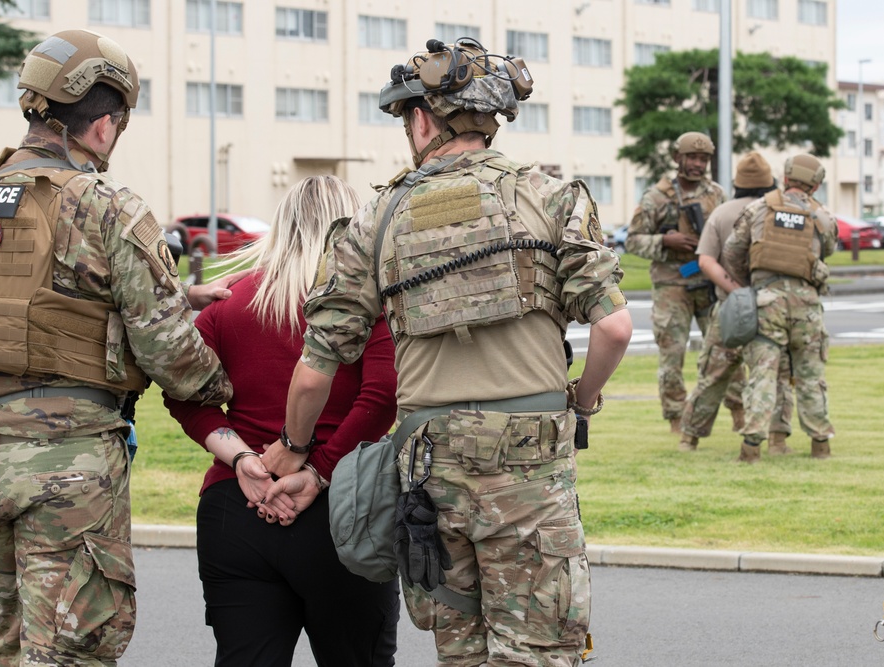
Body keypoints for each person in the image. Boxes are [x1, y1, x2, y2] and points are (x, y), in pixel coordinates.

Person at [271, 38, 632, 666]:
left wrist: (294, 447)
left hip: (429, 467)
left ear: (421, 118)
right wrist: (584, 399)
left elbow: (315, 370)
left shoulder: (377, 218)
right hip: (528, 464)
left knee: (460, 649)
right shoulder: (549, 199)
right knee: (538, 648)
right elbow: (615, 329)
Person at [0, 30, 234, 665]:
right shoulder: (105, 205)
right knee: (72, 650)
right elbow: (172, 353)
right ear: (103, 125)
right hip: (61, 464)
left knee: (11, 643)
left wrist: (170, 298)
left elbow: (31, 301)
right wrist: (226, 390)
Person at [164, 175, 400, 666]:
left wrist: (243, 457)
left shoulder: (229, 305)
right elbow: (381, 397)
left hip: (236, 506)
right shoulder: (366, 303)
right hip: (343, 508)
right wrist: (317, 472)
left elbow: (184, 393)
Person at [721, 154, 838, 462]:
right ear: (816, 184)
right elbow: (828, 250)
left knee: (762, 372)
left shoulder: (758, 208)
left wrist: (751, 281)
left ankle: (751, 449)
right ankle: (820, 444)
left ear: (785, 178)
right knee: (811, 374)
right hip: (806, 305)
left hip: (766, 301)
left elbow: (732, 250)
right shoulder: (822, 215)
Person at [678, 152, 793, 453]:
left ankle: (689, 437)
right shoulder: (778, 211)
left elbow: (705, 261)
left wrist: (736, 288)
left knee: (713, 374)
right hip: (772, 306)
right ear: (770, 182)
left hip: (730, 307)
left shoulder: (723, 212)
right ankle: (778, 440)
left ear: (738, 184)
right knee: (775, 374)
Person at [626, 131, 737, 435]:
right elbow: (633, 240)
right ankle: (677, 418)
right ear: (677, 158)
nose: (698, 164)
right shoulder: (657, 196)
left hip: (709, 281)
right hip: (672, 284)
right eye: (692, 157)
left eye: (703, 159)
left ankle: (739, 412)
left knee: (726, 349)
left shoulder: (716, 194)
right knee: (672, 353)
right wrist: (666, 240)